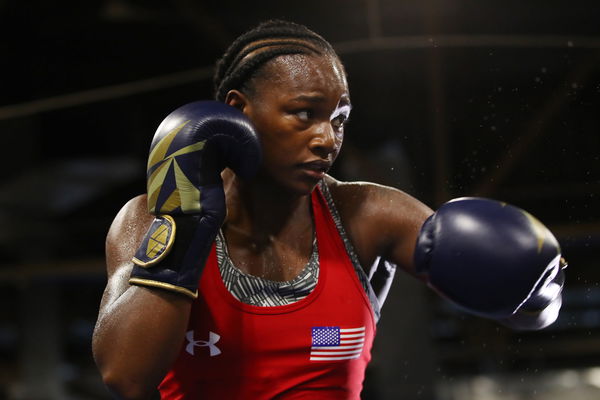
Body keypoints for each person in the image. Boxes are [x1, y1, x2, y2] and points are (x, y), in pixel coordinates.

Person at [92, 20, 566, 399]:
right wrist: (186, 222)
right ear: (239, 110)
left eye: (339, 118)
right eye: (305, 113)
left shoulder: (367, 213)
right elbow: (126, 376)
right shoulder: (146, 219)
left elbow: (530, 302)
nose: (327, 140)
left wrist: (533, 285)